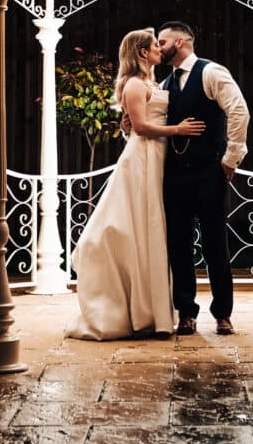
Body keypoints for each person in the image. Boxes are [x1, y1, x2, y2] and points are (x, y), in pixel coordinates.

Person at [65, 26, 205, 340]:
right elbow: (141, 127)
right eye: (155, 45)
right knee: (138, 227)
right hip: (142, 159)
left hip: (157, 159)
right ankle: (137, 310)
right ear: (143, 53)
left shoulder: (151, 82)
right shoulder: (133, 84)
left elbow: (135, 123)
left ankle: (151, 312)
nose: (160, 49)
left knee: (150, 230)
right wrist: (178, 130)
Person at [156, 20, 250, 336]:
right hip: (174, 178)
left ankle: (223, 313)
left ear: (180, 42)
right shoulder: (165, 84)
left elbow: (239, 111)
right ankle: (187, 312)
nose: (159, 47)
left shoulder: (211, 72)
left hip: (209, 173)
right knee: (178, 246)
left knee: (215, 245)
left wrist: (230, 160)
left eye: (163, 41)